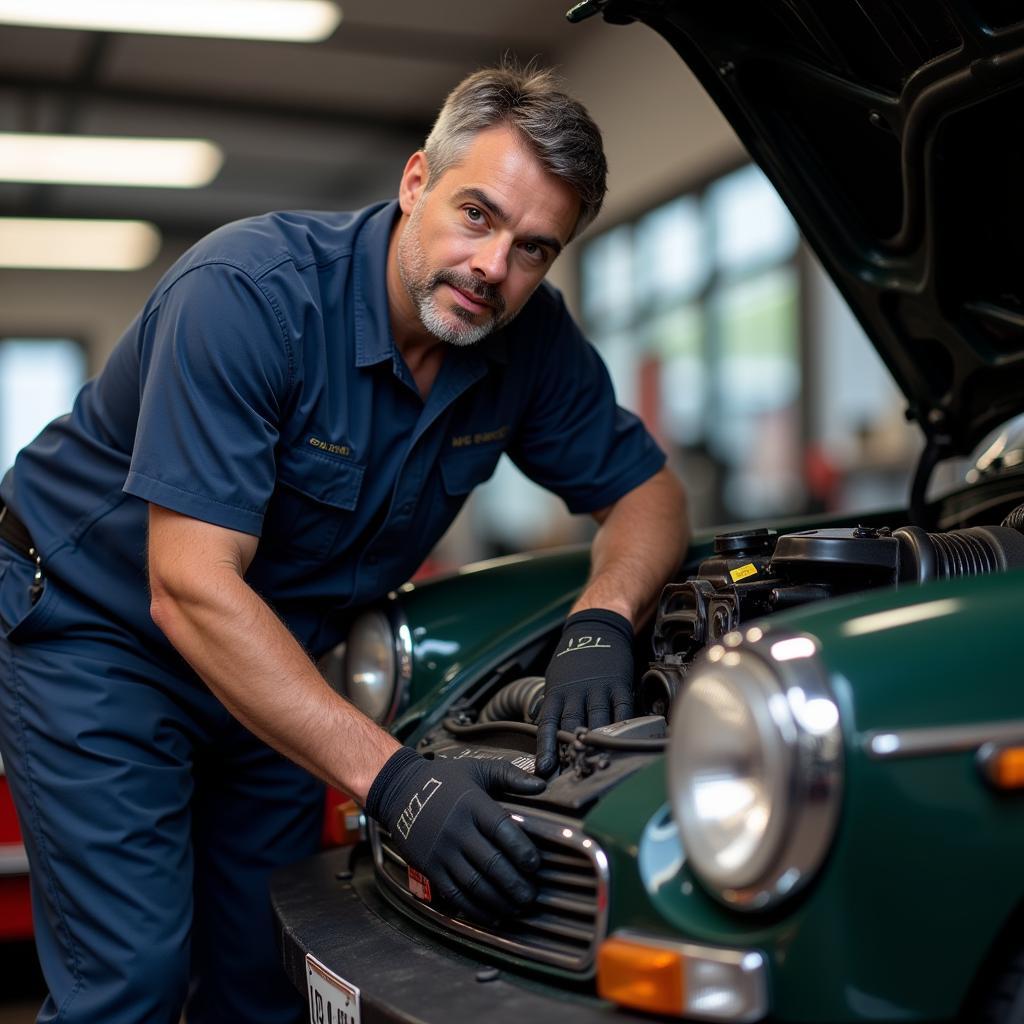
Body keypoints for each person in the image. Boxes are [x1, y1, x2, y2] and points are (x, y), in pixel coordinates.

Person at [0, 62, 689, 1023]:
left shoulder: (528, 342)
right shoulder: (247, 295)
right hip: (99, 634)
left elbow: (650, 493)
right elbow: (190, 584)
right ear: (416, 183)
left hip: (277, 655)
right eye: (478, 215)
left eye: (535, 248)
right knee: (133, 983)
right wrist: (397, 781)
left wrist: (602, 618)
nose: (495, 268)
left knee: (271, 966)